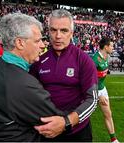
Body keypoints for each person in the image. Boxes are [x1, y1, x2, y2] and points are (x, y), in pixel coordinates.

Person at [0, 13, 71, 142]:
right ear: (20, 43)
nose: (42, 45)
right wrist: (70, 120)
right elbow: (54, 121)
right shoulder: (24, 85)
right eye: (37, 40)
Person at [29, 9, 98, 142]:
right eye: (53, 30)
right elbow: (25, 92)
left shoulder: (83, 60)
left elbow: (93, 100)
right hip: (47, 130)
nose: (58, 36)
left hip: (77, 132)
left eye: (64, 31)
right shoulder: (39, 60)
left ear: (71, 33)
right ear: (48, 31)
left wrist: (66, 122)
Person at [92, 37, 119, 143]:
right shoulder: (95, 59)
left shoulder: (106, 56)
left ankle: (114, 140)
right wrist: (98, 94)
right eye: (111, 46)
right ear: (106, 47)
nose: (113, 47)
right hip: (95, 90)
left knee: (108, 114)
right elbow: (90, 79)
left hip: (102, 88)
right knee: (83, 117)